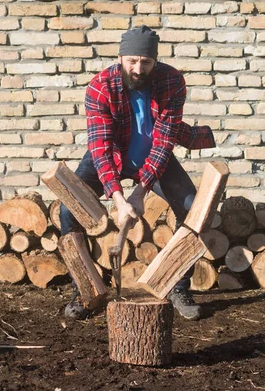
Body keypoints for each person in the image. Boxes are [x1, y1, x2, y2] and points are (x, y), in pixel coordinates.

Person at [59, 26, 216, 321]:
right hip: (113, 151)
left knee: (192, 208)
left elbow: (164, 141)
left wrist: (141, 191)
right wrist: (119, 200)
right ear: (120, 57)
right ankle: (84, 290)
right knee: (69, 212)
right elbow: (101, 148)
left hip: (154, 155)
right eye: (131, 60)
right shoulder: (100, 87)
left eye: (145, 62)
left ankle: (177, 286)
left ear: (155, 62)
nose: (137, 68)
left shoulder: (172, 81)